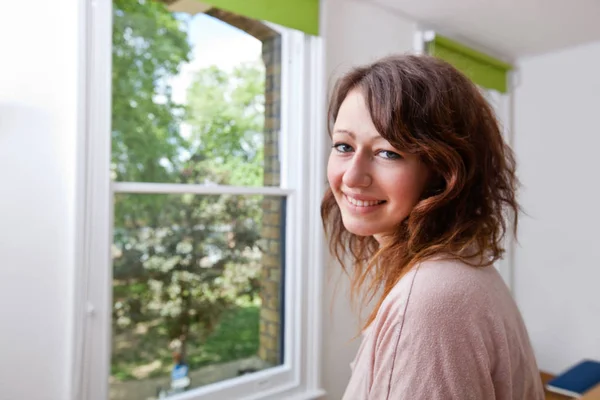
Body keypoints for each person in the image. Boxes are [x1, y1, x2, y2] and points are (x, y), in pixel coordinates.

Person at [321, 54, 544, 400]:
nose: (351, 176)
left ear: (444, 171)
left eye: (388, 152)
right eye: (344, 146)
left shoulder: (430, 302)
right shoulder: (460, 267)